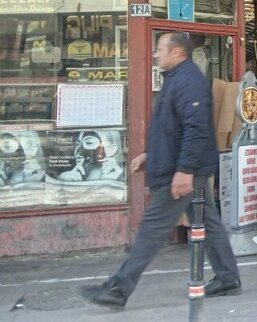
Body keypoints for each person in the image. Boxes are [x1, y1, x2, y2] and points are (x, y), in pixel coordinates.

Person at [79, 32, 241, 308]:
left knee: (152, 229)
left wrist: (185, 170)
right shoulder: (176, 78)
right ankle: (228, 278)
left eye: (159, 49)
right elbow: (170, 128)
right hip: (180, 166)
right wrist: (149, 154)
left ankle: (118, 289)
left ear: (176, 52)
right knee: (209, 222)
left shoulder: (188, 81)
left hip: (180, 171)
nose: (155, 54)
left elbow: (195, 128)